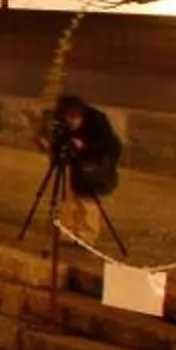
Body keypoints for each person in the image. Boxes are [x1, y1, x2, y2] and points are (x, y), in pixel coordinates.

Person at [42, 94, 123, 241]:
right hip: (69, 161)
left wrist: (86, 146)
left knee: (86, 200)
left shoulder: (97, 120)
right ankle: (67, 230)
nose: (71, 123)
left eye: (74, 119)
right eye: (68, 119)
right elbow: (57, 140)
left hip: (91, 164)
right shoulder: (60, 120)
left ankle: (87, 235)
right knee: (67, 197)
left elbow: (110, 146)